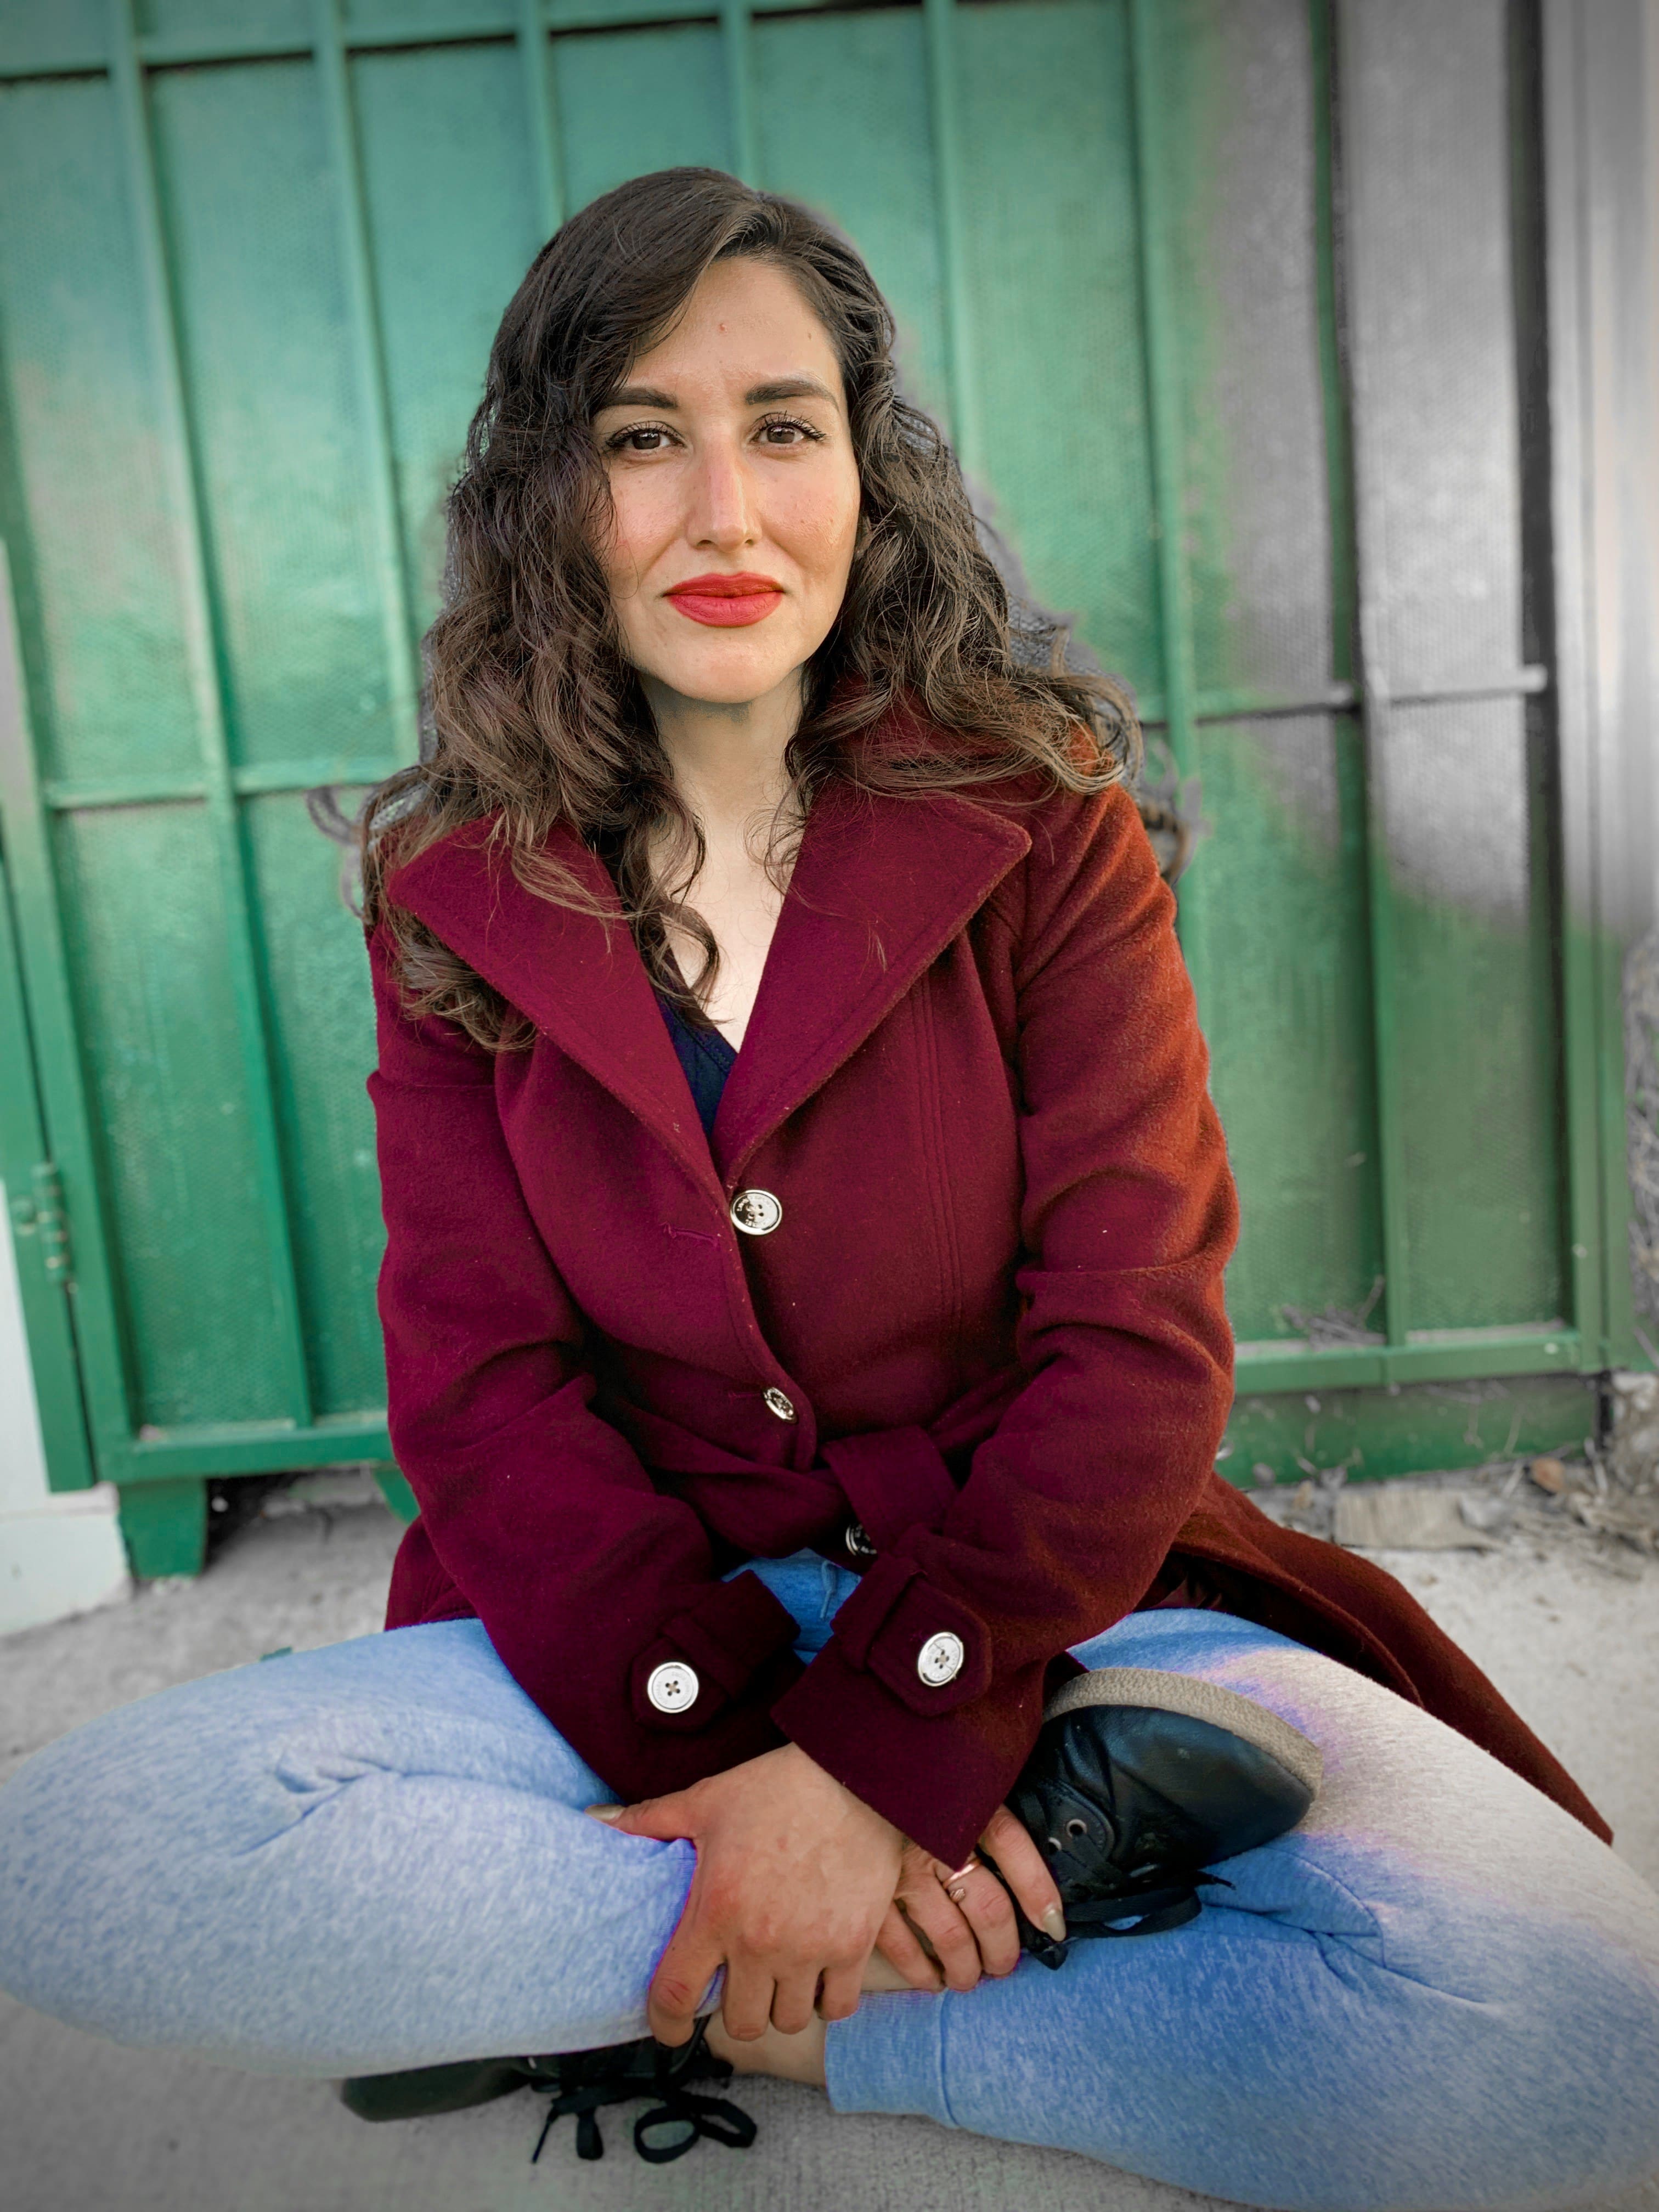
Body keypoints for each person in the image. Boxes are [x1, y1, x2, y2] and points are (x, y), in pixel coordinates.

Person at [1, 169, 1656, 2209]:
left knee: (1574, 2045)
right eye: (641, 438)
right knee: (77, 1868)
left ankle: (629, 1971)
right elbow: (482, 1385)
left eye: (784, 427)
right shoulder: (452, 891)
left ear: (866, 474)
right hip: (632, 1626)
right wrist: (748, 1771)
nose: (725, 510)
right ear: (549, 492)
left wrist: (890, 1748)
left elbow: (1136, 1344)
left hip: (1051, 1615)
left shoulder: (1036, 819)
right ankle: (912, 1933)